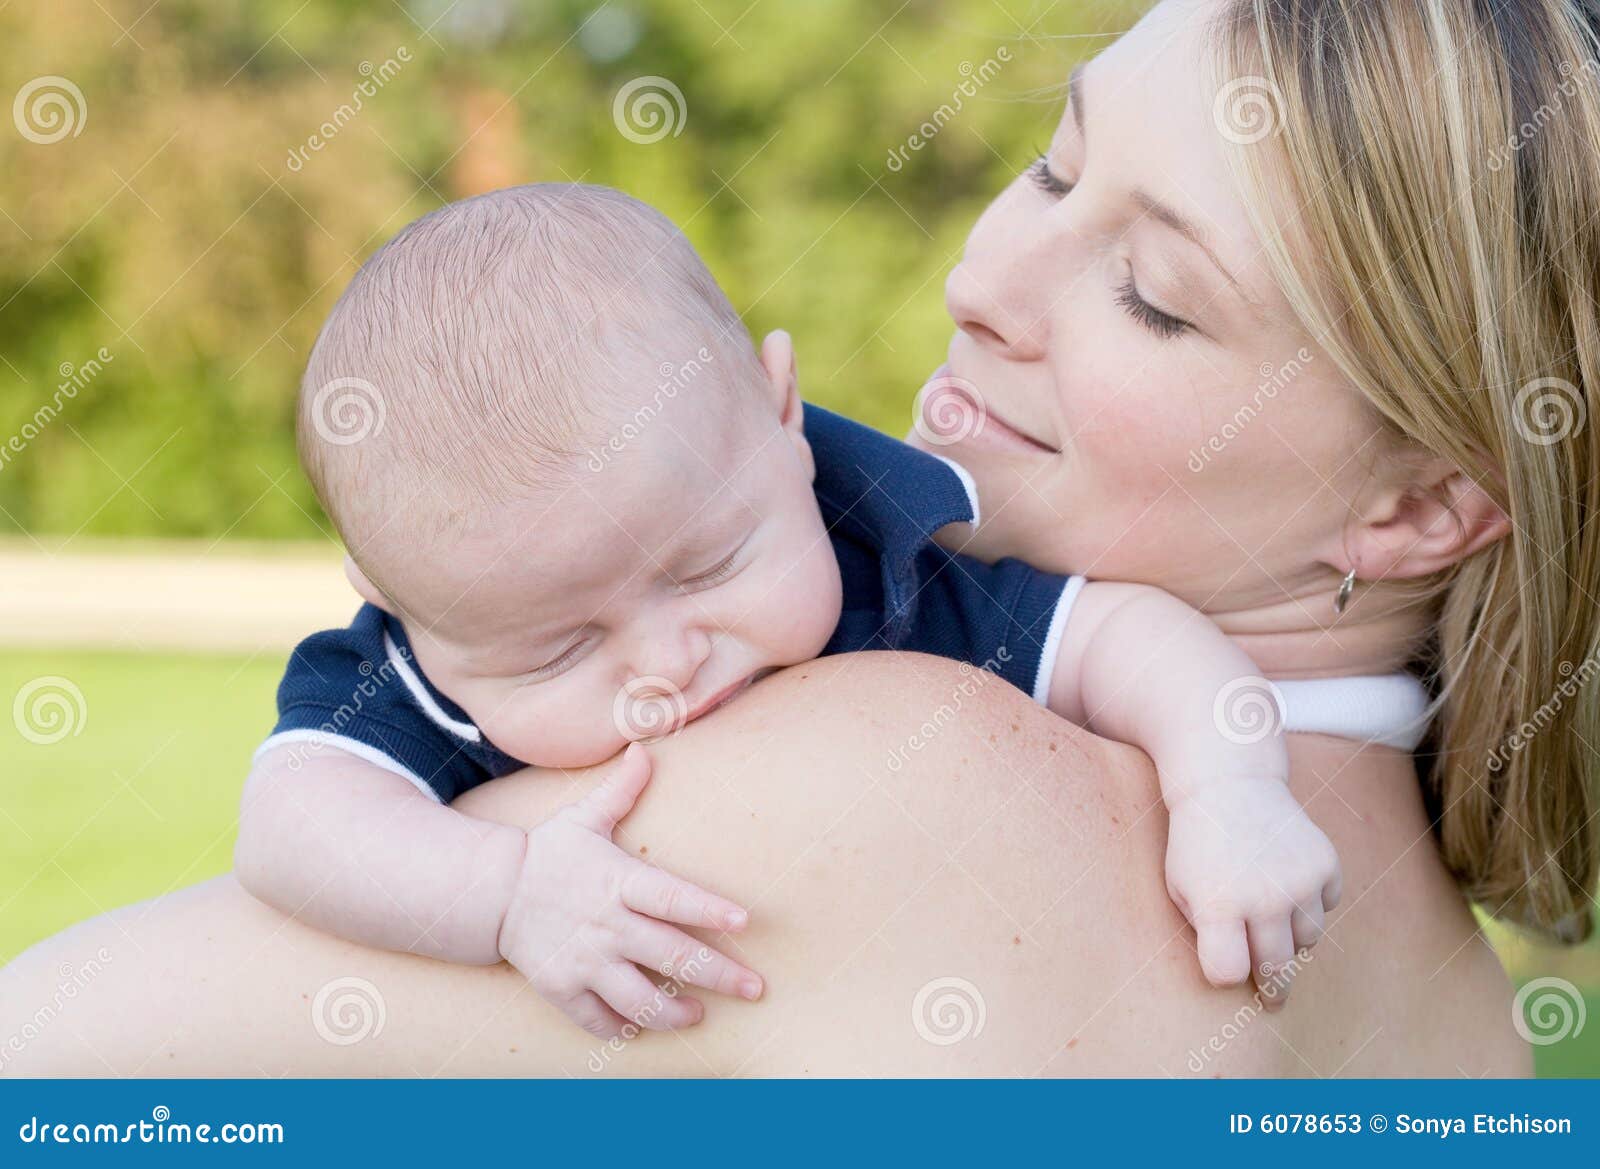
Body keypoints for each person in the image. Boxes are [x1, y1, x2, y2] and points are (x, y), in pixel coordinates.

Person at [8, 0, 1594, 1076]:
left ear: (1420, 507)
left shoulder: (895, 773)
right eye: (1053, 162)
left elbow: (51, 1061)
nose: (984, 280)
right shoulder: (1478, 1029)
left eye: (1153, 294)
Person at [236, 180, 1339, 1041]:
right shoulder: (415, 676)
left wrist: (1224, 783)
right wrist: (508, 891)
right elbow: (289, 821)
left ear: (783, 417)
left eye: (711, 564)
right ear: (401, 612)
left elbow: (1124, 636)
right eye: (559, 647)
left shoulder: (882, 569)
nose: (667, 658)